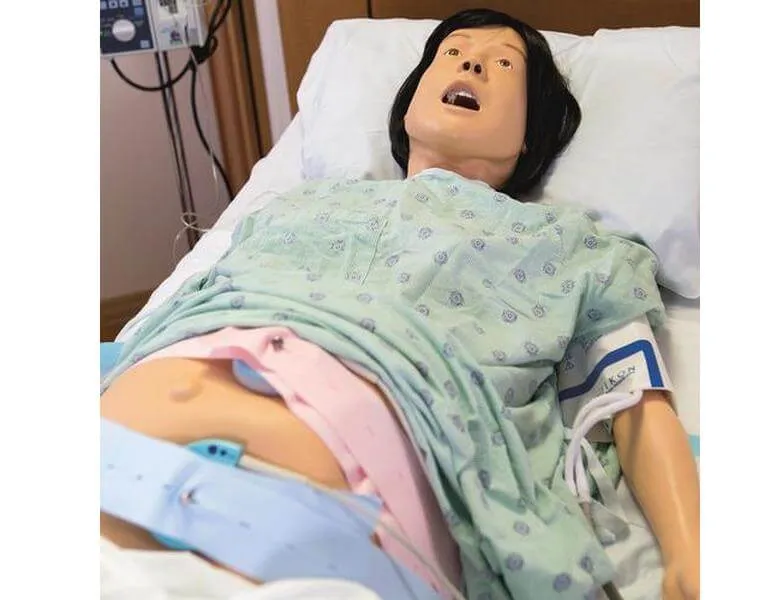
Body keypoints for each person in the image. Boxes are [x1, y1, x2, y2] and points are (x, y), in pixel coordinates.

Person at [100, 8, 699, 600]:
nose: (470, 64)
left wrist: (689, 558)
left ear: (529, 134)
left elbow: (633, 400)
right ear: (409, 102)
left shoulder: (570, 246)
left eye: (503, 65)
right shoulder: (296, 206)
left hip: (301, 537)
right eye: (451, 53)